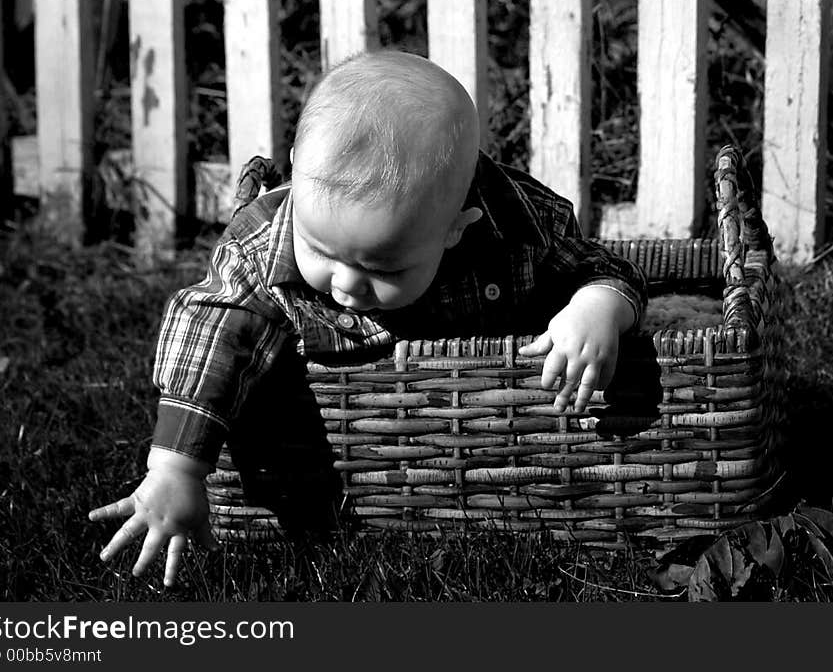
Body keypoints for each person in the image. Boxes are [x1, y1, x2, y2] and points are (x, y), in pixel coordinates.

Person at [89, 49, 647, 587]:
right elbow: (211, 328)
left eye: (382, 266)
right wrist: (176, 466)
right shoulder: (265, 244)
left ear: (456, 228)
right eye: (321, 251)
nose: (346, 282)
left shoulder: (515, 228)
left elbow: (601, 264)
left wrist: (597, 305)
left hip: (503, 461)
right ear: (296, 186)